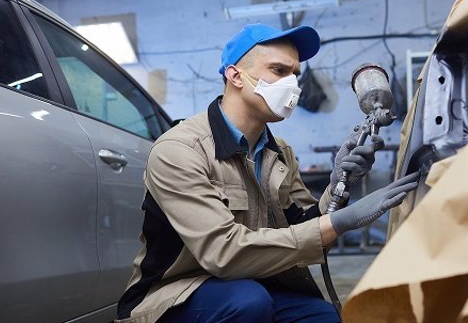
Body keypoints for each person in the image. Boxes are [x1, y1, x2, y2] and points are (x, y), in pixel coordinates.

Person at [116, 23, 418, 323]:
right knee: (248, 303)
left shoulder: (279, 151)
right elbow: (224, 253)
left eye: (295, 74)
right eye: (279, 71)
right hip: (173, 295)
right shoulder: (180, 149)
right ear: (236, 76)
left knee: (320, 315)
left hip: (248, 283)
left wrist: (338, 183)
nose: (292, 85)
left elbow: (303, 223)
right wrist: (342, 222)